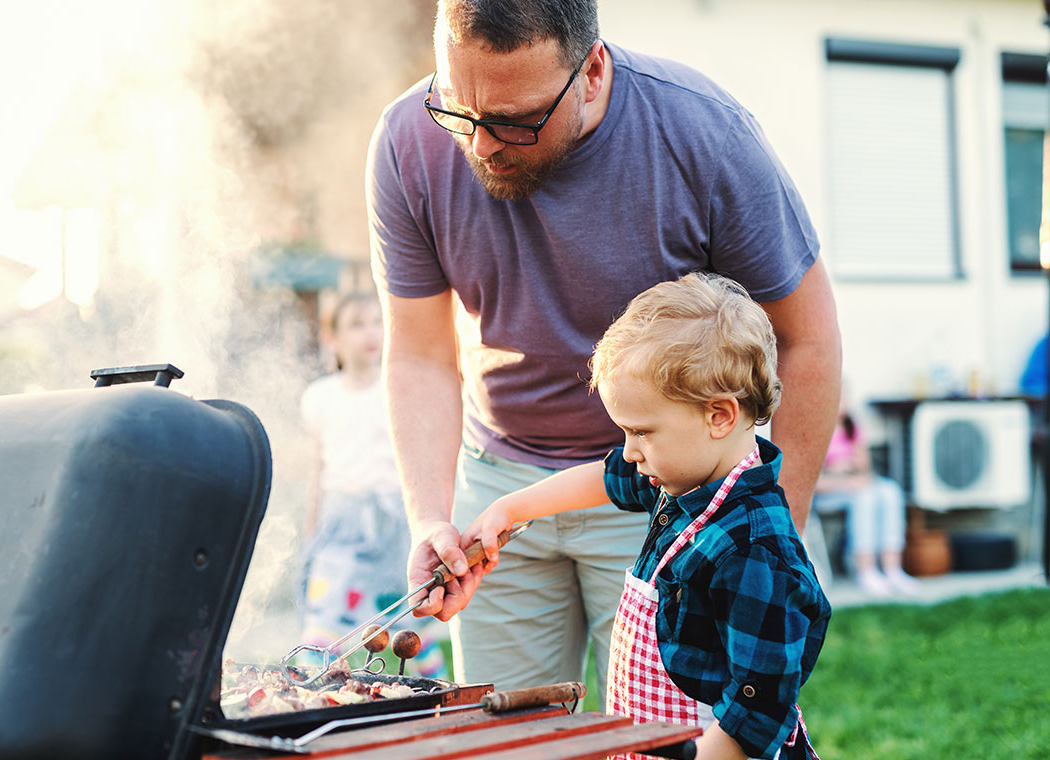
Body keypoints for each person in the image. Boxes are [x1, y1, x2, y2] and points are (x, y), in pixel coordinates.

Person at [366, 0, 841, 691]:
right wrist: (433, 518)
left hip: (669, 484)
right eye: (458, 108)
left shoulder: (704, 135)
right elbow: (418, 354)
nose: (481, 144)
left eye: (515, 120)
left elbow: (810, 338)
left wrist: (765, 538)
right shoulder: (407, 140)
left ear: (590, 72)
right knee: (507, 738)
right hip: (499, 487)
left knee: (668, 733)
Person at [462, 273, 830, 760]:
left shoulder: (754, 549)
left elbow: (757, 712)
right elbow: (605, 477)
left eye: (642, 431)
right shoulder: (685, 475)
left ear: (719, 415)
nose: (630, 451)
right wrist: (509, 509)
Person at [298, 291, 446, 677]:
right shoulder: (319, 397)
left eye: (377, 322)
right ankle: (313, 694)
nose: (370, 332)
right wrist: (312, 532)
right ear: (332, 338)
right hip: (342, 522)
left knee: (402, 622)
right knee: (325, 619)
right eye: (356, 324)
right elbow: (318, 472)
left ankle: (436, 697)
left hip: (394, 521)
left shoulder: (397, 389)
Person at [813, 395, 918, 597]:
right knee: (865, 498)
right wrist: (840, 476)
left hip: (854, 485)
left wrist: (853, 470)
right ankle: (865, 569)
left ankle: (892, 568)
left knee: (890, 491)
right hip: (828, 494)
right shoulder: (815, 430)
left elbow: (865, 470)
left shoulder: (853, 429)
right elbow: (814, 482)